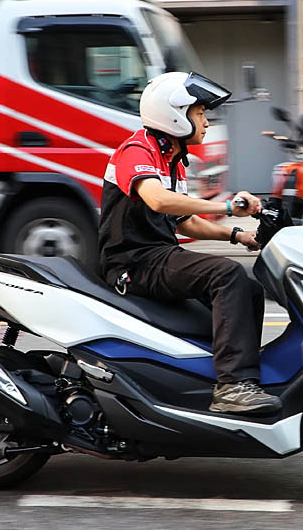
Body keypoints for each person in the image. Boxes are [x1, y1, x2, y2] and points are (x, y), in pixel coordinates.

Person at [97, 71, 282, 414]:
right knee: (226, 276)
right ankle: (232, 386)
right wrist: (228, 207)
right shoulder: (136, 149)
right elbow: (158, 201)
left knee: (251, 289)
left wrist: (239, 236)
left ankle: (217, 375)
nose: (207, 122)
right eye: (200, 113)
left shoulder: (173, 160)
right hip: (132, 262)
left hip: (157, 255)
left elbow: (186, 221)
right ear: (175, 114)